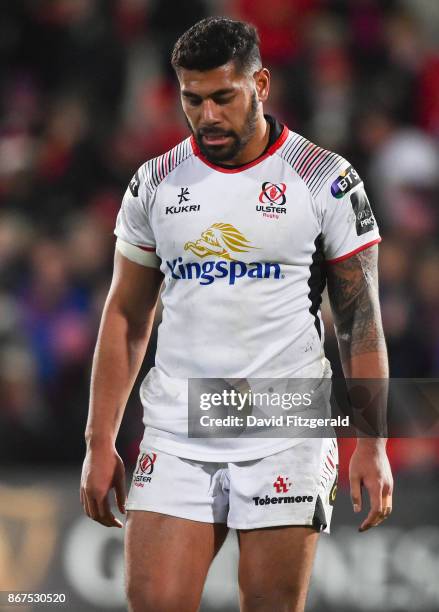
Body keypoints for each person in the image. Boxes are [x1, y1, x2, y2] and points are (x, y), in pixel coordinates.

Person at [80, 17, 393, 612]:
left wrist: (373, 444)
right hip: (179, 424)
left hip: (287, 422)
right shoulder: (155, 184)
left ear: (261, 84)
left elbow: (359, 320)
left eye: (223, 97)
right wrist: (100, 441)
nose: (208, 116)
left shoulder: (325, 180)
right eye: (192, 100)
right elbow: (125, 316)